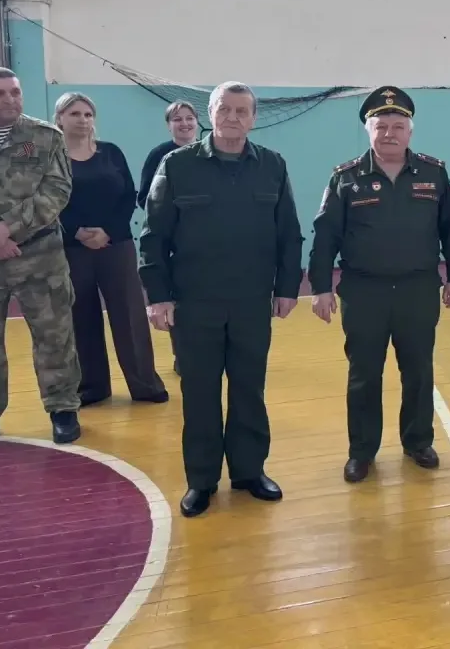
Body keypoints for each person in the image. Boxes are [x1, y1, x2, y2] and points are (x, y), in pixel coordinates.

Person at [138, 81, 304, 517]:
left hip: (252, 300)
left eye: (241, 110)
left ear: (254, 117)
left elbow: (289, 232)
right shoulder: (178, 165)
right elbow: (154, 235)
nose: (232, 117)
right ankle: (201, 480)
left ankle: (249, 472)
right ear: (210, 114)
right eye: (224, 109)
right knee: (200, 393)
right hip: (195, 301)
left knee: (249, 388)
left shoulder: (272, 164)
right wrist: (158, 296)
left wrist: (287, 287)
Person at [308, 86, 450, 482]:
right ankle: (362, 451)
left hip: (418, 289)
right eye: (381, 126)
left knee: (418, 371)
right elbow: (325, 236)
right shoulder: (346, 178)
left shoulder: (433, 173)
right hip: (364, 292)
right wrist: (321, 288)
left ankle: (418, 441)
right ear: (368, 130)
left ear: (410, 132)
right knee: (364, 374)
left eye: (398, 126)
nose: (389, 134)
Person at [0, 67, 82, 453]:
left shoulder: (45, 138)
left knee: (54, 334)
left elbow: (57, 190)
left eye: (15, 92)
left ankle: (62, 408)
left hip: (39, 255)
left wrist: (6, 230)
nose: (10, 99)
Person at [53, 92, 168, 407]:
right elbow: (50, 200)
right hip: (72, 248)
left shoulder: (111, 152)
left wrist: (108, 231)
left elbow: (127, 196)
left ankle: (145, 384)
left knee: (130, 314)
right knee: (81, 315)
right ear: (59, 118)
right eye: (75, 114)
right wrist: (77, 231)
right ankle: (92, 386)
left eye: (88, 114)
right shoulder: (51, 157)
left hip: (116, 244)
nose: (83, 120)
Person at [139, 101, 199, 376]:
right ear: (168, 125)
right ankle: (183, 355)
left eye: (189, 118)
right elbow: (145, 197)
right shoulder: (159, 156)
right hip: (174, 243)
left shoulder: (210, 152)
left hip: (206, 241)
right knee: (179, 301)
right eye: (177, 119)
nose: (184, 123)